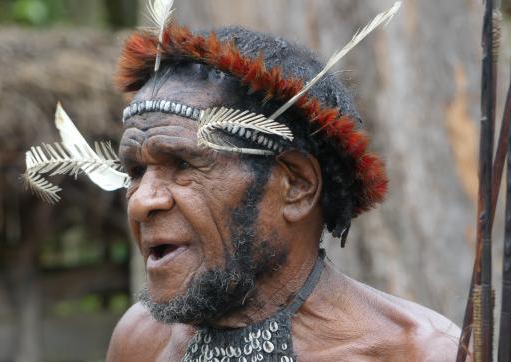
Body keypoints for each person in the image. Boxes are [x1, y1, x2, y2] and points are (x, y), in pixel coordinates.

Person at [106, 19, 461, 362]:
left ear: (296, 185)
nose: (141, 201)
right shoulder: (139, 341)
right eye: (136, 172)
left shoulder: (418, 354)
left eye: (183, 164)